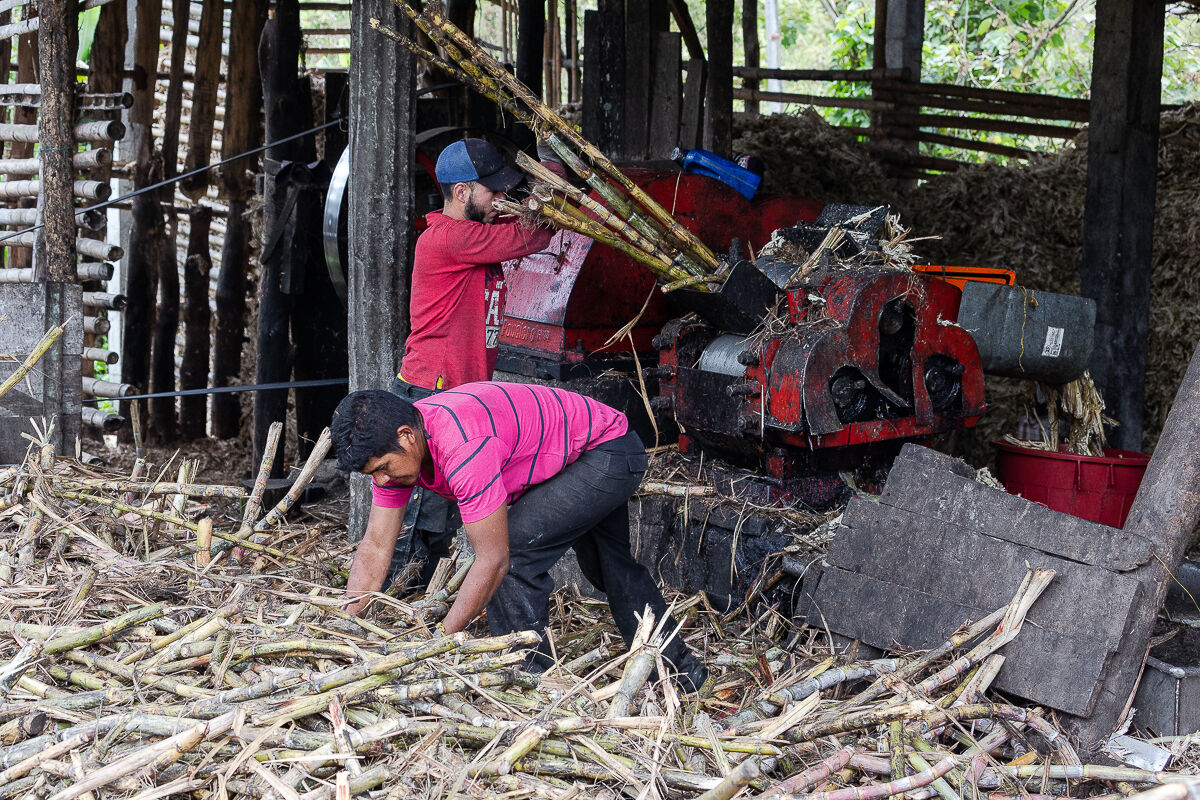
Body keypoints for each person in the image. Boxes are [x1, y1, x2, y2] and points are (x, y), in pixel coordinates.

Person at [331, 383, 709, 692]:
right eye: (372, 474)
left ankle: (531, 687)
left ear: (406, 436)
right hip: (590, 448)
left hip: (607, 451)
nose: (380, 480)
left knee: (516, 555)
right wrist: (349, 628)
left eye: (382, 469)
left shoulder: (461, 446)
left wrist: (436, 643)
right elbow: (378, 545)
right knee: (609, 567)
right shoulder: (400, 455)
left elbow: (494, 560)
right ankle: (682, 674)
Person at [383, 138, 558, 592]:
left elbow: (513, 225)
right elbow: (530, 236)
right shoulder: (447, 237)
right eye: (491, 191)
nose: (500, 199)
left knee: (438, 513)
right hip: (432, 392)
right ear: (461, 193)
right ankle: (398, 605)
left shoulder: (470, 231)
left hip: (455, 394)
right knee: (423, 517)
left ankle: (417, 599)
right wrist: (552, 191)